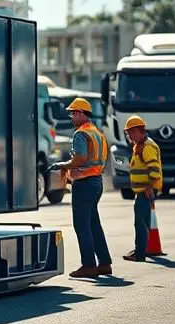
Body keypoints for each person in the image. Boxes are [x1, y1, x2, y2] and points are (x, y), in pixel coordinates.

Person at [50, 97, 112, 279]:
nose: (72, 117)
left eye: (74, 113)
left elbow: (80, 158)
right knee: (94, 224)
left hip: (84, 185)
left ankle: (88, 266)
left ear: (81, 114)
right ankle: (104, 263)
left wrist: (63, 165)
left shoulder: (81, 134)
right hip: (96, 182)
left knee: (81, 225)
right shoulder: (97, 133)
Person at [121, 115, 163, 262]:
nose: (129, 136)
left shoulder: (147, 147)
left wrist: (149, 187)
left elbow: (155, 169)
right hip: (143, 190)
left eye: (131, 132)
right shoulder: (140, 145)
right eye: (127, 133)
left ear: (139, 131)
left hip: (146, 190)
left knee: (140, 222)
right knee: (142, 221)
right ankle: (140, 250)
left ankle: (139, 254)